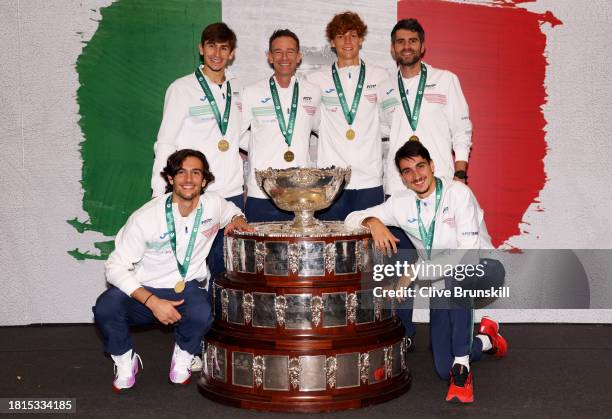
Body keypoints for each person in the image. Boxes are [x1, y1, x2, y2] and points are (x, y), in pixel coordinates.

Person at [345, 141, 507, 403]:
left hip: (484, 267)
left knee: (457, 276)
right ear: (402, 177)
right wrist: (371, 221)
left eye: (420, 166)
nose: (416, 175)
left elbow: (466, 253)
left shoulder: (458, 193)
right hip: (441, 281)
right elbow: (350, 218)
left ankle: (462, 370)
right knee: (442, 367)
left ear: (432, 166)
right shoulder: (401, 204)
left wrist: (412, 274)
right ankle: (486, 339)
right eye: (407, 171)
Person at [94, 149, 253, 392]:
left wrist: (239, 220)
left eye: (195, 172)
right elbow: (115, 267)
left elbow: (231, 211)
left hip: (187, 288)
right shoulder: (145, 218)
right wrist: (152, 301)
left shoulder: (213, 205)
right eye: (181, 172)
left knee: (202, 312)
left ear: (204, 180)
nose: (188, 179)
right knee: (106, 307)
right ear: (170, 179)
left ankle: (184, 354)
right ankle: (125, 360)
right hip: (145, 290)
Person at [150, 22, 244, 282]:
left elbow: (239, 136)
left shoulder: (238, 90)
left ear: (232, 53)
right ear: (201, 48)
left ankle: (222, 323)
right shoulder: (181, 88)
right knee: (192, 268)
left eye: (224, 48)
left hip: (232, 192)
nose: (217, 53)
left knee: (228, 271)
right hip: (195, 192)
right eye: (211, 46)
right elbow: (166, 142)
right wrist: (159, 193)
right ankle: (199, 321)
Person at [306, 11, 389, 221]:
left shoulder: (380, 76)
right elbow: (312, 122)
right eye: (341, 36)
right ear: (332, 42)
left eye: (352, 35)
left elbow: (388, 122)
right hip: (332, 180)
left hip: (370, 178)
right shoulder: (316, 79)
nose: (347, 41)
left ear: (361, 39)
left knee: (370, 247)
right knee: (333, 247)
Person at [379, 18, 473, 196]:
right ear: (393, 49)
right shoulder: (384, 88)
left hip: (439, 181)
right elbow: (382, 131)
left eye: (413, 41)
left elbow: (462, 131)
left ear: (422, 47)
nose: (407, 46)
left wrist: (460, 174)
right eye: (400, 42)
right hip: (398, 186)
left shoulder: (445, 80)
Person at [241, 29, 321, 222]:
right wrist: (257, 146)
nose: (284, 57)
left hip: (300, 191)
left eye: (290, 51)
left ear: (299, 56)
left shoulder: (313, 92)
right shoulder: (251, 92)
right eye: (277, 52)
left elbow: (322, 131)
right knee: (260, 251)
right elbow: (236, 134)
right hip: (261, 190)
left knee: (297, 251)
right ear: (269, 57)